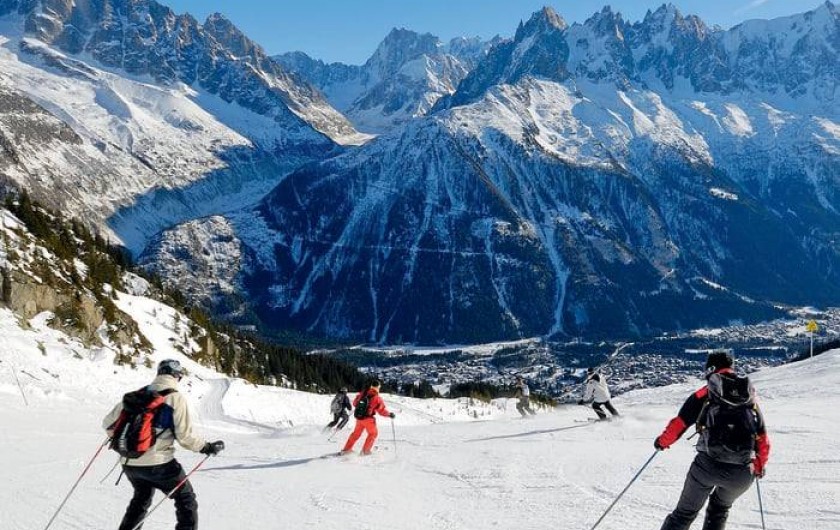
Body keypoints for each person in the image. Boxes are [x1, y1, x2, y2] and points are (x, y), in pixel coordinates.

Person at [654, 351, 771, 530]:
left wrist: (662, 442)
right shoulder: (747, 395)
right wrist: (759, 465)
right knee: (719, 509)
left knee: (684, 514)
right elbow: (762, 437)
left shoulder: (706, 393)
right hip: (741, 473)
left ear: (710, 368)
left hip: (707, 466)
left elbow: (680, 423)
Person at [103, 359, 225, 530]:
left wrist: (129, 442)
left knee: (141, 499)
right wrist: (206, 447)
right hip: (158, 464)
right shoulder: (175, 398)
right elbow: (185, 437)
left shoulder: (138, 394)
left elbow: (107, 424)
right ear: (176, 376)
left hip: (129, 462)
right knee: (185, 499)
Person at [341, 380, 394, 455]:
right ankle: (365, 451)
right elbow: (381, 411)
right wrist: (389, 414)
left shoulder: (363, 393)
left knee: (356, 434)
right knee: (373, 434)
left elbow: (354, 403)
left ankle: (346, 450)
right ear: (378, 387)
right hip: (368, 419)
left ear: (371, 386)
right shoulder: (377, 398)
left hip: (359, 418)